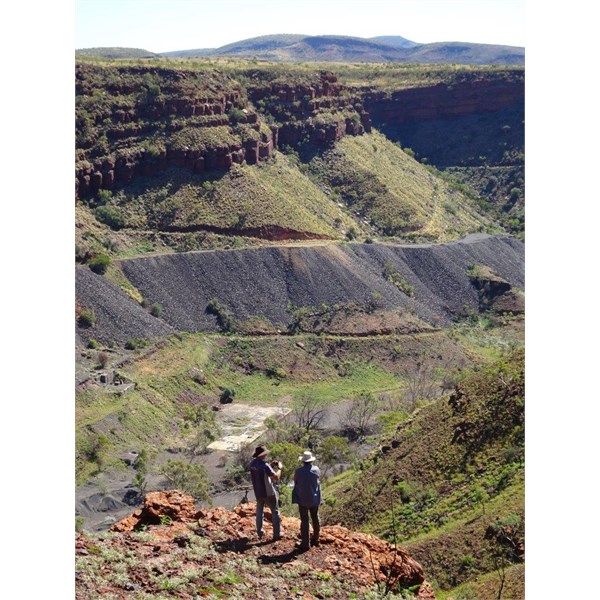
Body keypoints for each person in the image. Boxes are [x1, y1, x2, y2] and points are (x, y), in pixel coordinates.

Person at [248, 445, 282, 541]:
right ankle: (277, 534)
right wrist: (279, 468)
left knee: (259, 511)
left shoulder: (252, 464)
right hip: (268, 492)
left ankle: (259, 532)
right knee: (275, 512)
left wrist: (270, 465)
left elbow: (264, 471)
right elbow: (275, 477)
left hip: (258, 492)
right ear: (263, 454)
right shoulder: (265, 465)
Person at [293, 450, 321, 552]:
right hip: (314, 498)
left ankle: (305, 543)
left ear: (303, 461)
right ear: (311, 461)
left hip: (303, 498)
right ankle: (316, 537)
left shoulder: (298, 471)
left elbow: (295, 481)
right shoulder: (316, 470)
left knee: (304, 520)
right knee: (315, 517)